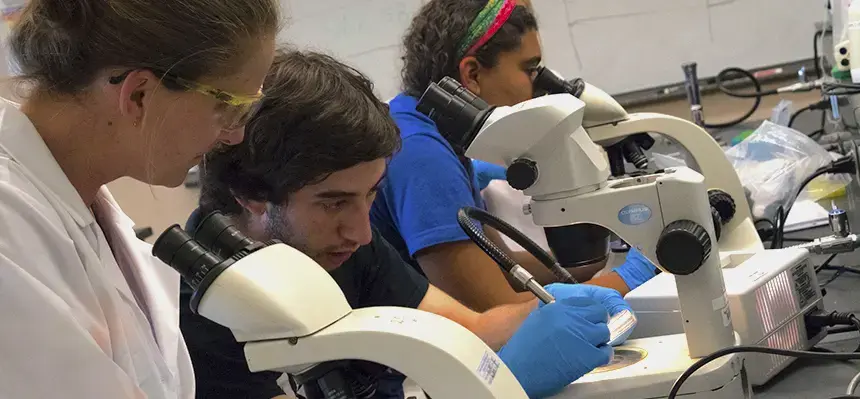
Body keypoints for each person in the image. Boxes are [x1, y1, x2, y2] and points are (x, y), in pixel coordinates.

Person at [186, 48, 632, 399]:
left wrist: (549, 308)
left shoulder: (341, 245)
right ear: (251, 194)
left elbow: (469, 329)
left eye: (371, 194)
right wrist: (499, 386)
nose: (362, 233)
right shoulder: (204, 306)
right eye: (334, 203)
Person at [0, 0, 279, 397]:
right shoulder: (9, 230)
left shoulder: (85, 209)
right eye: (229, 107)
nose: (235, 135)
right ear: (139, 96)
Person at [370, 0, 657, 311]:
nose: (537, 86)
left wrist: (579, 265)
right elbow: (497, 310)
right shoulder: (422, 155)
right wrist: (630, 277)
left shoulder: (426, 125)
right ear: (472, 74)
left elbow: (502, 265)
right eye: (529, 69)